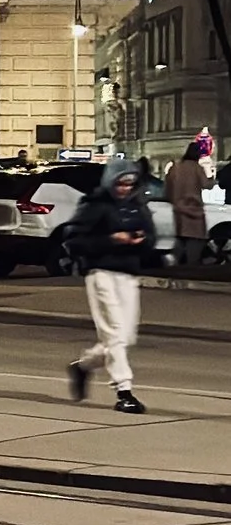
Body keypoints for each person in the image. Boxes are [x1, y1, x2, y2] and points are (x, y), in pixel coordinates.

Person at [67, 156, 152, 413]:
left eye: (130, 184)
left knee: (125, 337)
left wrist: (141, 240)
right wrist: (112, 239)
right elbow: (74, 240)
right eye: (120, 184)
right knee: (114, 332)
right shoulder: (94, 205)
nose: (125, 188)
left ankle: (83, 366)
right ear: (110, 182)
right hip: (100, 272)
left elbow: (151, 239)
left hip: (127, 274)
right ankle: (124, 391)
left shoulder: (138, 206)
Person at [164, 141, 211, 268]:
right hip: (194, 209)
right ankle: (191, 266)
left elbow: (167, 187)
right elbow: (207, 185)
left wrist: (171, 200)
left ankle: (174, 260)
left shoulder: (176, 167)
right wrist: (210, 174)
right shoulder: (197, 168)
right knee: (195, 240)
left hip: (178, 208)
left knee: (181, 237)